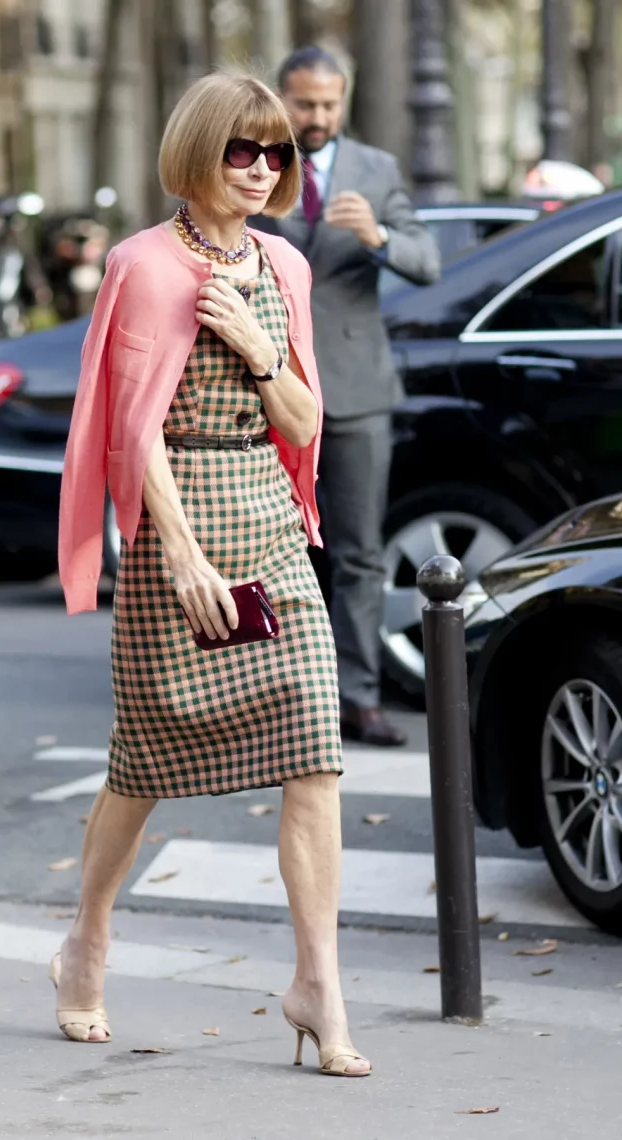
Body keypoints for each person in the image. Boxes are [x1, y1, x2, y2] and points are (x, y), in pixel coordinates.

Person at [54, 70, 371, 1077]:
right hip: (175, 525)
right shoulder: (141, 267)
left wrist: (254, 347)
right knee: (143, 765)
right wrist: (180, 552)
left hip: (271, 525)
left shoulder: (284, 265)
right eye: (242, 150)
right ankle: (87, 940)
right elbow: (129, 426)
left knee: (315, 753)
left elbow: (306, 424)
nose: (262, 168)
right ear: (199, 152)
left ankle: (318, 983)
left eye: (276, 152)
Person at [251, 47, 441, 747]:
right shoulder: (250, 157)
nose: (319, 117)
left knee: (359, 551)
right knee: (266, 548)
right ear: (282, 97)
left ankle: (355, 696)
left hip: (357, 388)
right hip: (268, 384)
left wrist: (381, 236)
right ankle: (273, 699)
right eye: (305, 104)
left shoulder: (376, 170)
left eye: (331, 105)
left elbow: (427, 261)